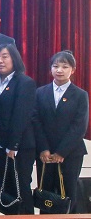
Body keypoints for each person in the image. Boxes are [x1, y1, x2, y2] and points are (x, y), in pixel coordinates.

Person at [33, 51, 89, 213]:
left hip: (70, 153)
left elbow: (79, 126)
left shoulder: (80, 95)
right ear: (50, 69)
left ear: (73, 70)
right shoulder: (40, 92)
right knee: (46, 194)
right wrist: (43, 148)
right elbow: (35, 121)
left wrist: (61, 152)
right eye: (56, 66)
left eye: (65, 66)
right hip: (45, 154)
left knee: (68, 193)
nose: (59, 70)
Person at [0, 44, 36, 214]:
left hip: (19, 147)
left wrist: (13, 145)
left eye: (5, 56)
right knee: (7, 188)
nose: (0, 61)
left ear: (14, 59)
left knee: (21, 186)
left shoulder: (24, 82)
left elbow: (21, 116)